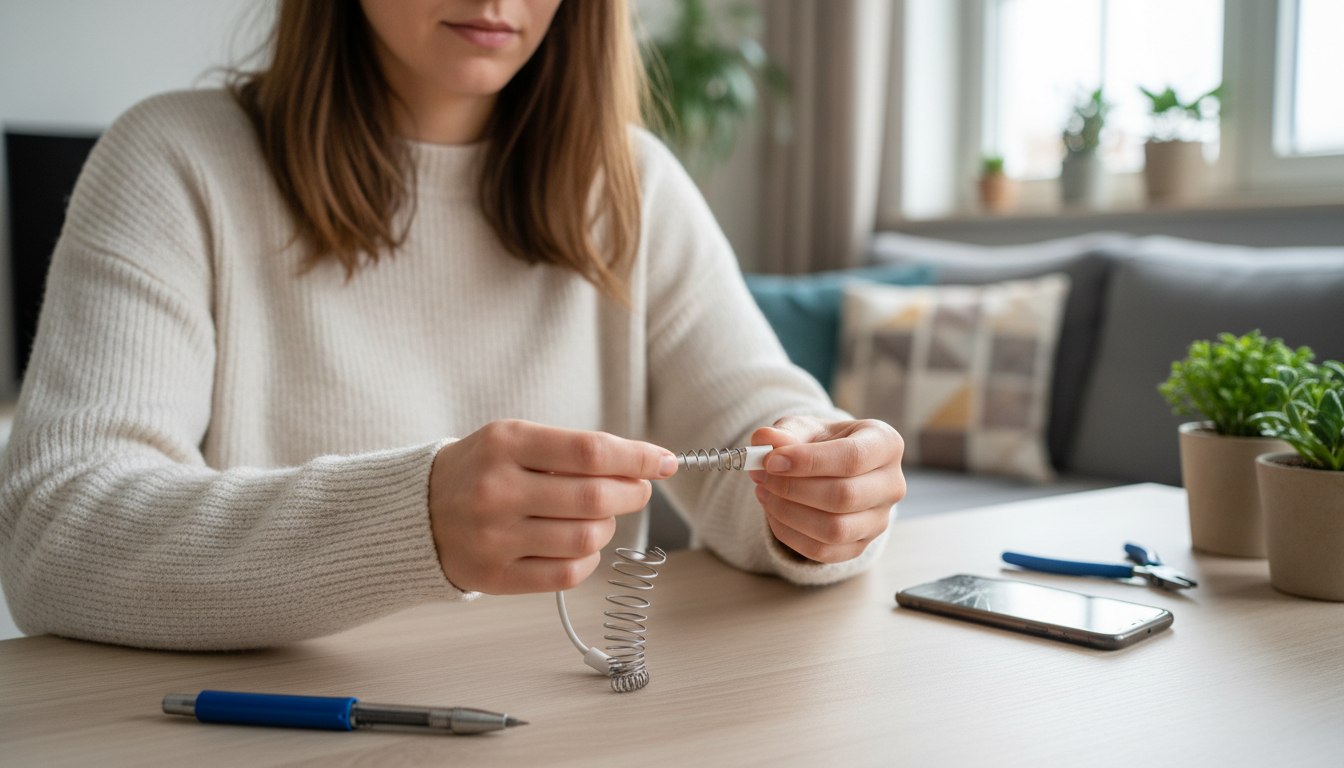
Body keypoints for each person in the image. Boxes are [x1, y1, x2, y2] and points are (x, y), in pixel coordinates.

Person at [0, 0, 905, 651]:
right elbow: (56, 528)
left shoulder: (631, 181)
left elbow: (753, 414)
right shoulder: (173, 163)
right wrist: (411, 521)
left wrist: (822, 488)